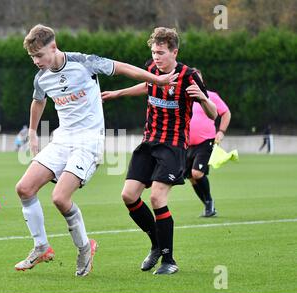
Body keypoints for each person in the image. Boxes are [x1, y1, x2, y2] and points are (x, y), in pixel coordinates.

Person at [14, 24, 178, 277]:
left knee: (60, 198)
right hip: (62, 140)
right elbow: (38, 101)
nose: (36, 61)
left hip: (88, 143)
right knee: (24, 189)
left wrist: (156, 79)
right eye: (32, 57)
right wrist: (34, 133)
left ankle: (84, 249)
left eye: (39, 55)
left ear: (53, 47)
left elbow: (122, 68)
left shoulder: (85, 63)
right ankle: (41, 247)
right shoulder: (42, 76)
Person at [101, 27, 217, 275]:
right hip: (148, 143)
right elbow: (147, 86)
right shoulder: (152, 70)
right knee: (128, 196)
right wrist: (118, 93)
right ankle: (156, 245)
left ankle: (169, 261)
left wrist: (204, 100)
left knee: (156, 198)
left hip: (173, 146)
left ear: (175, 52)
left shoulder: (188, 77)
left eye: (161, 52)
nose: (156, 57)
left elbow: (213, 114)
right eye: (154, 52)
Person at [185, 69, 231, 217]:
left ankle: (209, 202)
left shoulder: (211, 96)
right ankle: (208, 207)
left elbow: (226, 113)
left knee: (197, 173)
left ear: (201, 81)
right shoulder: (184, 97)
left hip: (206, 142)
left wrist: (221, 131)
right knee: (191, 178)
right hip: (186, 144)